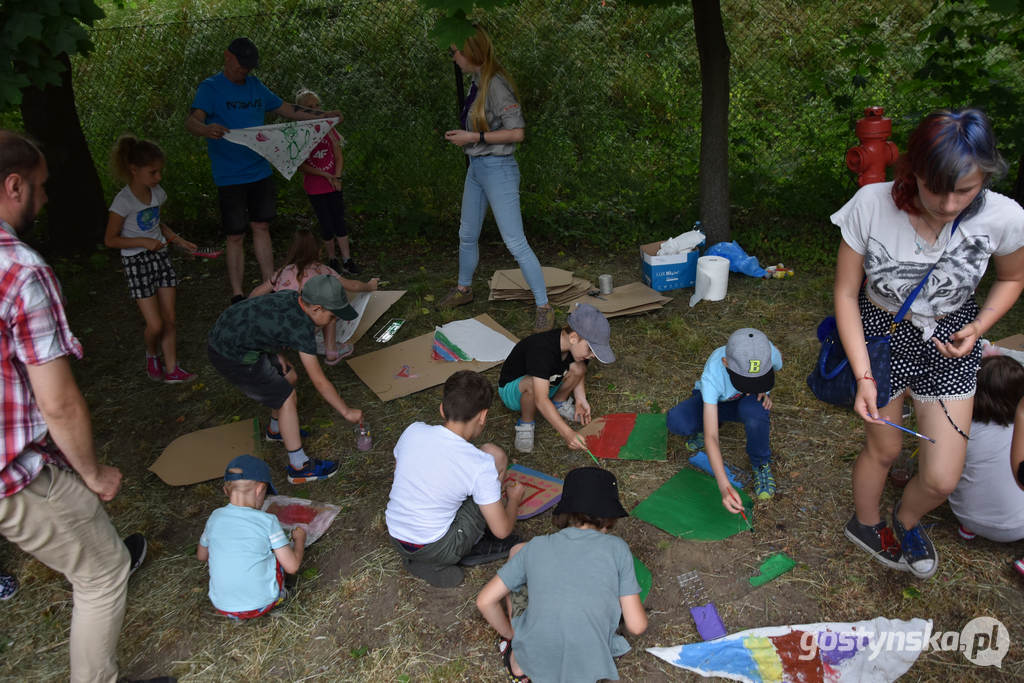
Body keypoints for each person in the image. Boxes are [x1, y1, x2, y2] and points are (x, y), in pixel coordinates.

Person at [832, 108, 1024, 579]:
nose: (951, 204)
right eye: (937, 188)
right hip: (882, 331)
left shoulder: (1004, 216)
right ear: (914, 170)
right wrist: (862, 376)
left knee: (941, 477)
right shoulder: (872, 204)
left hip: (952, 338)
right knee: (885, 449)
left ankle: (907, 518)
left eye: (967, 190)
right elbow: (844, 292)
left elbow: (1013, 276)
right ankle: (868, 523)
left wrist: (977, 328)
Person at [0, 130, 149, 682]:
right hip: (15, 471)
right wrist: (92, 471)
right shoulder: (19, 270)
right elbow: (58, 401)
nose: (45, 200)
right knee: (105, 572)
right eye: (38, 189)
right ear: (13, 185)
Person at [186, 37, 342, 304]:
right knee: (235, 234)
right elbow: (192, 121)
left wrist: (324, 116)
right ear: (227, 57)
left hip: (259, 170)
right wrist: (205, 130)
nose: (244, 70)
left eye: (249, 66)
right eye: (240, 64)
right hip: (229, 174)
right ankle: (237, 293)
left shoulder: (256, 87)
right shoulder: (210, 88)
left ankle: (270, 284)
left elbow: (288, 110)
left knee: (261, 225)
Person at [476, 467, 647, 683]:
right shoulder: (618, 548)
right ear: (610, 515)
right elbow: (637, 625)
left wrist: (511, 634)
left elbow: (485, 601)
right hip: (591, 664)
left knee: (517, 554)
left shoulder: (535, 547)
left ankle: (518, 663)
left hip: (535, 659)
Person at [437, 27, 553, 333]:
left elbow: (517, 133)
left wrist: (473, 136)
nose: (453, 57)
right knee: (466, 233)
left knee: (515, 241)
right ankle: (464, 290)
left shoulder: (497, 85)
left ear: (472, 52)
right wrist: (469, 141)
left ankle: (544, 306)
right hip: (477, 167)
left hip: (499, 168)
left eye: (456, 52)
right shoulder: (478, 80)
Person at [207, 273, 363, 484]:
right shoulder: (301, 329)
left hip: (234, 334)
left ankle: (276, 429)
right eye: (332, 316)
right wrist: (346, 411)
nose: (332, 321)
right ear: (316, 308)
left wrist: (276, 352)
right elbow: (319, 380)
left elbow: (262, 317)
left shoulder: (292, 297)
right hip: (231, 353)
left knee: (289, 376)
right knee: (286, 398)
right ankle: (299, 467)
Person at [385, 370, 525, 588]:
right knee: (494, 458)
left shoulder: (412, 430)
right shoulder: (479, 465)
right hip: (436, 546)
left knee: (490, 455)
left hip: (396, 535)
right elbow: (502, 530)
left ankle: (421, 557)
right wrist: (514, 499)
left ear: (442, 409)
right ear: (483, 416)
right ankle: (456, 553)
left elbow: (399, 475)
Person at [105, 134, 198, 384]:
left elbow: (157, 224)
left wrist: (178, 240)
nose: (158, 178)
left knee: (170, 319)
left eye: (159, 172)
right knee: (155, 325)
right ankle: (151, 353)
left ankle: (172, 369)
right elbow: (110, 239)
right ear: (134, 170)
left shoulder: (157, 193)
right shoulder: (122, 202)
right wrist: (143, 242)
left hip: (161, 258)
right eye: (153, 172)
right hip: (136, 263)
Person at [666, 328, 783, 506]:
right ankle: (706, 422)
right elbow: (711, 437)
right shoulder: (713, 372)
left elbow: (776, 364)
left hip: (746, 403)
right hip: (714, 403)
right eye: (746, 381)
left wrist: (763, 389)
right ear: (726, 363)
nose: (751, 384)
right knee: (677, 421)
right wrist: (724, 486)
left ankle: (760, 463)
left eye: (757, 379)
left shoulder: (768, 351)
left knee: (756, 412)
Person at [197, 455, 305, 619]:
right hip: (262, 604)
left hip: (223, 607)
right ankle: (280, 596)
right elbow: (292, 567)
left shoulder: (214, 518)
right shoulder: (267, 521)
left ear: (226, 490)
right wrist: (299, 540)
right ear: (259, 489)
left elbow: (201, 556)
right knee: (277, 555)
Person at [248, 228, 378, 365]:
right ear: (318, 250)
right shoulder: (322, 270)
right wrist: (370, 285)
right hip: (306, 327)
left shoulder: (282, 272)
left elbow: (256, 293)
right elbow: (353, 286)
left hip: (281, 328)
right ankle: (332, 352)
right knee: (329, 311)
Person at [498, 303, 613, 454]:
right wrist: (568, 433)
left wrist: (580, 398)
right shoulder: (541, 350)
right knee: (533, 384)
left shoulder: (576, 347)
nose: (592, 355)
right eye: (591, 349)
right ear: (573, 338)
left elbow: (579, 370)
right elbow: (540, 399)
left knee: (579, 367)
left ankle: (559, 403)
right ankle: (526, 423)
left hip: (547, 385)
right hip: (514, 392)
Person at [947, 356, 1024, 573]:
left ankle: (969, 529)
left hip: (967, 515)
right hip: (1019, 528)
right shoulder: (1021, 430)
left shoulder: (962, 427)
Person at [294, 89, 360, 275]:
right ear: (300, 110)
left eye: (317, 106)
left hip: (334, 184)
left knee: (339, 220)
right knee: (326, 224)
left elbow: (338, 155)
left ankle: (347, 259)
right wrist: (325, 175)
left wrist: (336, 177)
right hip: (316, 187)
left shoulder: (328, 128)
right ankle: (332, 259)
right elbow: (302, 165)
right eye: (309, 107)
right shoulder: (300, 134)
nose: (315, 109)